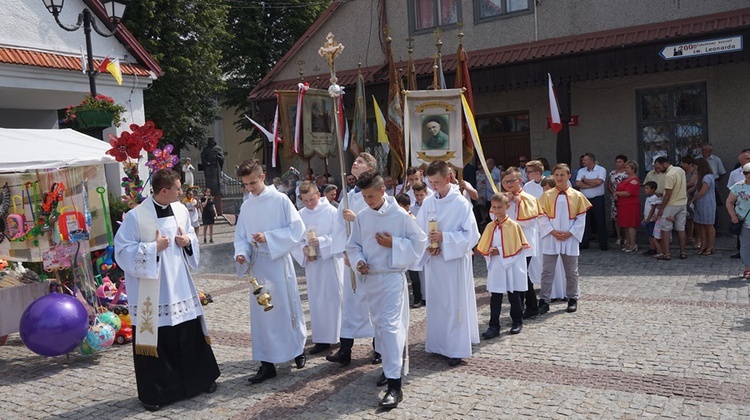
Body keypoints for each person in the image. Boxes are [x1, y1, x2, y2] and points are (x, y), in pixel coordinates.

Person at [114, 169, 219, 412]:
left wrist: (188, 242)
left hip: (180, 285)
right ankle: (158, 392)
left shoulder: (181, 210)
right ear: (164, 191)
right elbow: (121, 252)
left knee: (188, 333)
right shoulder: (135, 217)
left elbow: (190, 234)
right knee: (159, 339)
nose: (182, 192)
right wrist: (153, 248)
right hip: (154, 291)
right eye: (178, 188)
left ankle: (201, 380)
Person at [346, 170, 427, 408]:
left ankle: (395, 384)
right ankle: (388, 367)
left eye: (371, 196)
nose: (368, 201)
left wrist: (395, 244)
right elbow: (354, 245)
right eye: (364, 197)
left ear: (383, 191)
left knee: (391, 327)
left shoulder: (400, 215)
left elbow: (419, 242)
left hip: (392, 277)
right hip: (371, 278)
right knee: (380, 327)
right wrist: (358, 261)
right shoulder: (362, 216)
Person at [234, 159, 307, 384]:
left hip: (277, 263)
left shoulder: (280, 200)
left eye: (253, 183)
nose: (249, 188)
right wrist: (241, 253)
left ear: (262, 176)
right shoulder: (246, 205)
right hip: (257, 265)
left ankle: (296, 350)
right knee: (262, 315)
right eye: (245, 185)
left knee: (284, 309)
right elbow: (241, 236)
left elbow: (297, 229)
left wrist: (269, 237)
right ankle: (267, 363)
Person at [415, 160, 480, 367]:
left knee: (454, 304)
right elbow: (419, 231)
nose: (433, 186)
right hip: (435, 261)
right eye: (430, 182)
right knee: (437, 303)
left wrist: (445, 238)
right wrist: (428, 245)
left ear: (448, 178)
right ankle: (438, 344)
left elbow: (472, 235)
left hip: (453, 262)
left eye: (436, 182)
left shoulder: (460, 202)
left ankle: (455, 348)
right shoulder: (428, 202)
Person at [329, 153, 379, 366]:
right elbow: (339, 228)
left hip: (370, 260)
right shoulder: (349, 196)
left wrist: (356, 219)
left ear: (369, 168)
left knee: (374, 306)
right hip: (351, 262)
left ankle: (379, 348)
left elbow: (379, 223)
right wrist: (345, 252)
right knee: (349, 306)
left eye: (359, 162)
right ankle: (345, 349)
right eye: (354, 161)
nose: (354, 164)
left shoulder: (375, 194)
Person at [292, 181, 345, 356]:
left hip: (329, 263)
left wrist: (321, 241)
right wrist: (304, 249)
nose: (309, 203)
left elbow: (339, 235)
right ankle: (321, 338)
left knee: (333, 299)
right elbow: (295, 239)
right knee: (316, 301)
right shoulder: (299, 215)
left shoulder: (331, 211)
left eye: (312, 199)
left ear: (318, 194)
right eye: (305, 200)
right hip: (313, 265)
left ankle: (337, 336)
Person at [537, 164, 592, 314]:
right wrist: (551, 231)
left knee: (571, 271)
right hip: (551, 237)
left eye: (562, 175)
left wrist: (571, 232)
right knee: (547, 271)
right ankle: (544, 300)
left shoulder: (577, 196)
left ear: (568, 176)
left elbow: (581, 217)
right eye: (557, 175)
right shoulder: (547, 195)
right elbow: (541, 216)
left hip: (570, 237)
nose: (559, 178)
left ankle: (572, 298)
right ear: (553, 177)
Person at [477, 192, 529, 338]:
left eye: (500, 207)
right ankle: (494, 325)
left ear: (507, 206)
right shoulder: (489, 226)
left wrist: (499, 251)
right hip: (497, 265)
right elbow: (485, 245)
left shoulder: (513, 226)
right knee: (496, 296)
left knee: (514, 295)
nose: (497, 210)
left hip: (511, 264)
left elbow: (519, 247)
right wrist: (489, 252)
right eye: (494, 207)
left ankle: (517, 321)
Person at [499, 166, 541, 320]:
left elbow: (529, 222)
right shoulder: (502, 198)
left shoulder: (528, 198)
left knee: (522, 275)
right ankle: (529, 306)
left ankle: (526, 306)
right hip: (508, 244)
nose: (508, 184)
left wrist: (518, 204)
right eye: (505, 182)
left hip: (524, 243)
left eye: (511, 181)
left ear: (520, 180)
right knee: (519, 276)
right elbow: (493, 217)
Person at [654, 156, 688, 260]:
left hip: (672, 204)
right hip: (682, 202)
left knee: (666, 229)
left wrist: (661, 208)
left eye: (659, 167)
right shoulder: (680, 170)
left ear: (664, 164)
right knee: (681, 228)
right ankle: (683, 252)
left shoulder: (669, 175)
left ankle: (667, 253)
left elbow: (668, 194)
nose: (659, 170)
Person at [576, 153, 608, 250]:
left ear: (590, 160)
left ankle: (603, 243)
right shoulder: (581, 171)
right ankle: (584, 242)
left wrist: (585, 181)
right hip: (585, 199)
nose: (583, 162)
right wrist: (591, 184)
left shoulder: (601, 169)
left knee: (600, 221)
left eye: (585, 160)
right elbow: (578, 183)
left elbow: (600, 182)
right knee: (584, 221)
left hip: (597, 198)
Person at [727, 163, 750, 278]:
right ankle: (747, 268)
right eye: (746, 173)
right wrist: (733, 216)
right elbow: (729, 202)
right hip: (743, 220)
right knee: (745, 245)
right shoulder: (738, 186)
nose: (749, 175)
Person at [612, 160, 641, 252]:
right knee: (625, 225)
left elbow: (628, 192)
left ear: (633, 169)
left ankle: (632, 244)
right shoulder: (626, 179)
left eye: (628, 168)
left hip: (631, 205)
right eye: (626, 168)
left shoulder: (634, 180)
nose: (626, 170)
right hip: (622, 204)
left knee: (631, 225)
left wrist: (617, 193)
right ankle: (628, 243)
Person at [690, 158, 716, 255]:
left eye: (695, 166)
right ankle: (703, 245)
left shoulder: (707, 177)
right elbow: (695, 187)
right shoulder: (700, 177)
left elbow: (702, 191)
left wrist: (693, 199)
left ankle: (710, 246)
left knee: (708, 225)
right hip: (700, 204)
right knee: (700, 225)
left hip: (707, 203)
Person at [607, 155, 629, 248]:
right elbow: (609, 185)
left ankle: (627, 238)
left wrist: (620, 193)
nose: (618, 164)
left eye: (620, 162)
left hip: (624, 197)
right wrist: (614, 193)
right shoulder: (612, 173)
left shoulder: (627, 174)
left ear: (624, 163)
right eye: (617, 162)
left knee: (625, 217)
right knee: (616, 218)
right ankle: (619, 237)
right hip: (614, 197)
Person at [200, 138, 224, 216]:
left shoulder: (218, 148)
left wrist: (218, 157)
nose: (211, 143)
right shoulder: (206, 149)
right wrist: (207, 163)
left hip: (216, 168)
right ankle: (210, 191)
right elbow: (203, 158)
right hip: (209, 169)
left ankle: (219, 211)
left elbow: (222, 158)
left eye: (212, 141)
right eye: (210, 141)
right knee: (210, 183)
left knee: (217, 184)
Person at [642, 181, 664, 257]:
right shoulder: (648, 198)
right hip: (647, 218)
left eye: (647, 188)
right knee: (649, 234)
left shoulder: (654, 198)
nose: (645, 189)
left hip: (651, 220)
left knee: (652, 235)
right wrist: (644, 218)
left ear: (653, 189)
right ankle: (652, 248)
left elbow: (652, 209)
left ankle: (653, 249)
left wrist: (648, 218)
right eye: (645, 188)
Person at [681, 155, 699, 249]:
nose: (682, 165)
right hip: (684, 196)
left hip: (692, 196)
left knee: (693, 217)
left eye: (684, 163)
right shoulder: (683, 172)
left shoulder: (694, 172)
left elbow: (692, 183)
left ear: (690, 164)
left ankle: (696, 237)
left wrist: (681, 186)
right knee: (688, 217)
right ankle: (689, 236)